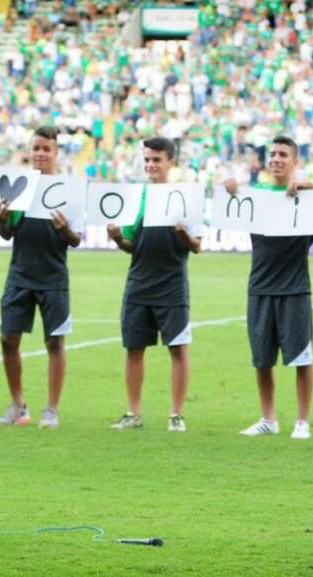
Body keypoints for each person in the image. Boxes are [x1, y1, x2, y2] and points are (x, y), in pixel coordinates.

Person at [224, 136, 313, 440]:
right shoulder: (255, 195)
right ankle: (268, 419)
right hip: (259, 288)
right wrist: (228, 188)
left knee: (302, 357)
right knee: (261, 359)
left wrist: (312, 187)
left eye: (283, 154)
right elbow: (225, 204)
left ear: (295, 162)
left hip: (295, 289)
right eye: (272, 154)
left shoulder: (309, 198)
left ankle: (302, 422)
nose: (276, 159)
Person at [107, 137, 202, 432]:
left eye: (156, 160)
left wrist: (183, 233)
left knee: (177, 348)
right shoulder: (137, 197)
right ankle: (133, 413)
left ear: (170, 163)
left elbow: (196, 245)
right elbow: (130, 245)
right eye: (147, 160)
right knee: (134, 348)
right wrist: (117, 238)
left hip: (172, 284)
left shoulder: (185, 196)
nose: (150, 165)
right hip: (138, 283)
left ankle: (176, 414)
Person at [0, 126, 82, 428]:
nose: (41, 154)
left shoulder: (68, 190)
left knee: (55, 343)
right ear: (29, 152)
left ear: (56, 152)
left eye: (47, 149)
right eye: (36, 148)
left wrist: (64, 230)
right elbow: (6, 233)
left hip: (54, 278)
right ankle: (18, 405)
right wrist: (1, 218)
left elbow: (76, 239)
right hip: (19, 275)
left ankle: (51, 409)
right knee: (8, 338)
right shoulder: (21, 187)